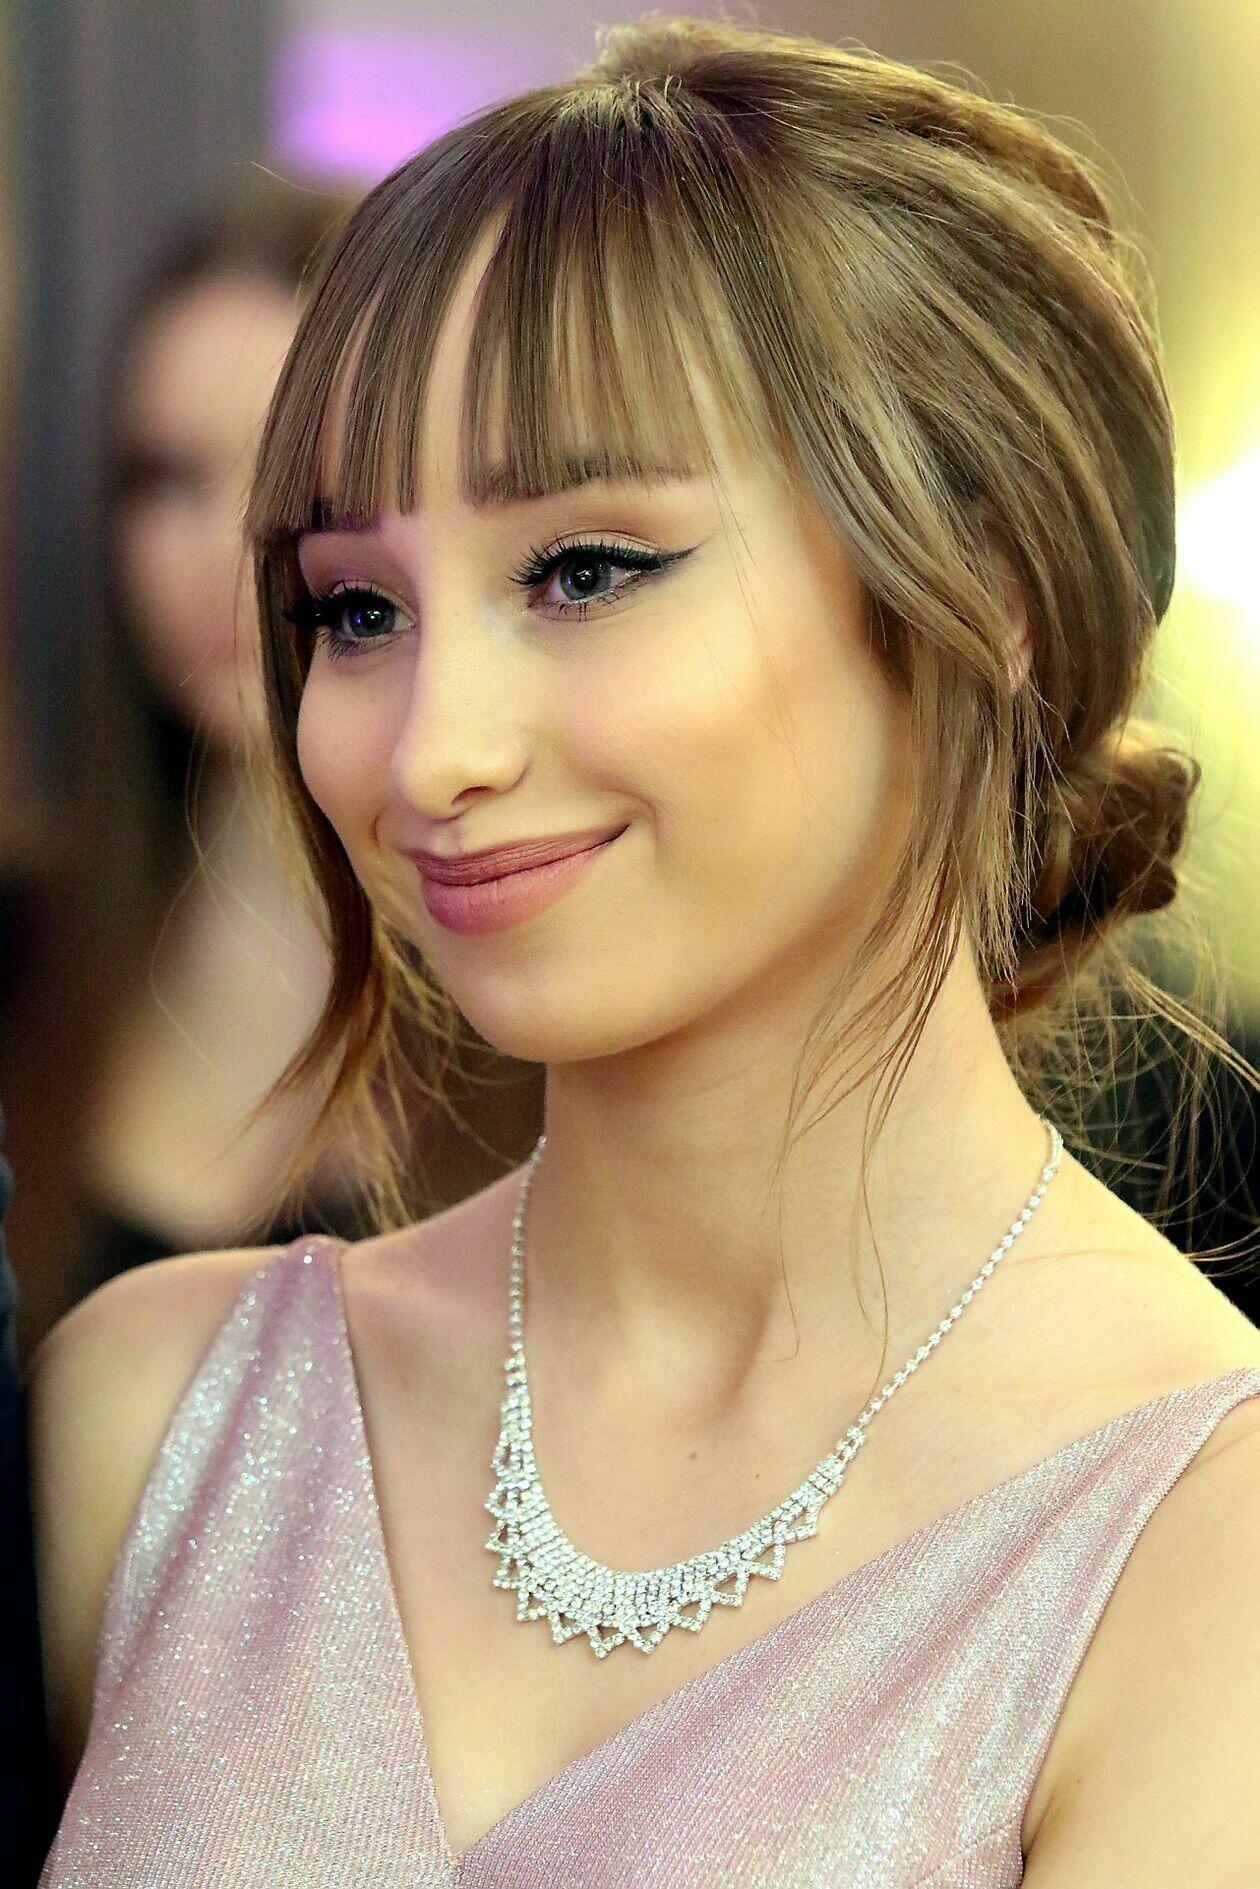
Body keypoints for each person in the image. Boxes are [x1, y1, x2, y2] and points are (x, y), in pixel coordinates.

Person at [27, 16, 1260, 1885]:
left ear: (985, 582)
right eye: (355, 608)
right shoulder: (150, 1421)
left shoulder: (1196, 1553)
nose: (430, 751)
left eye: (585, 569)